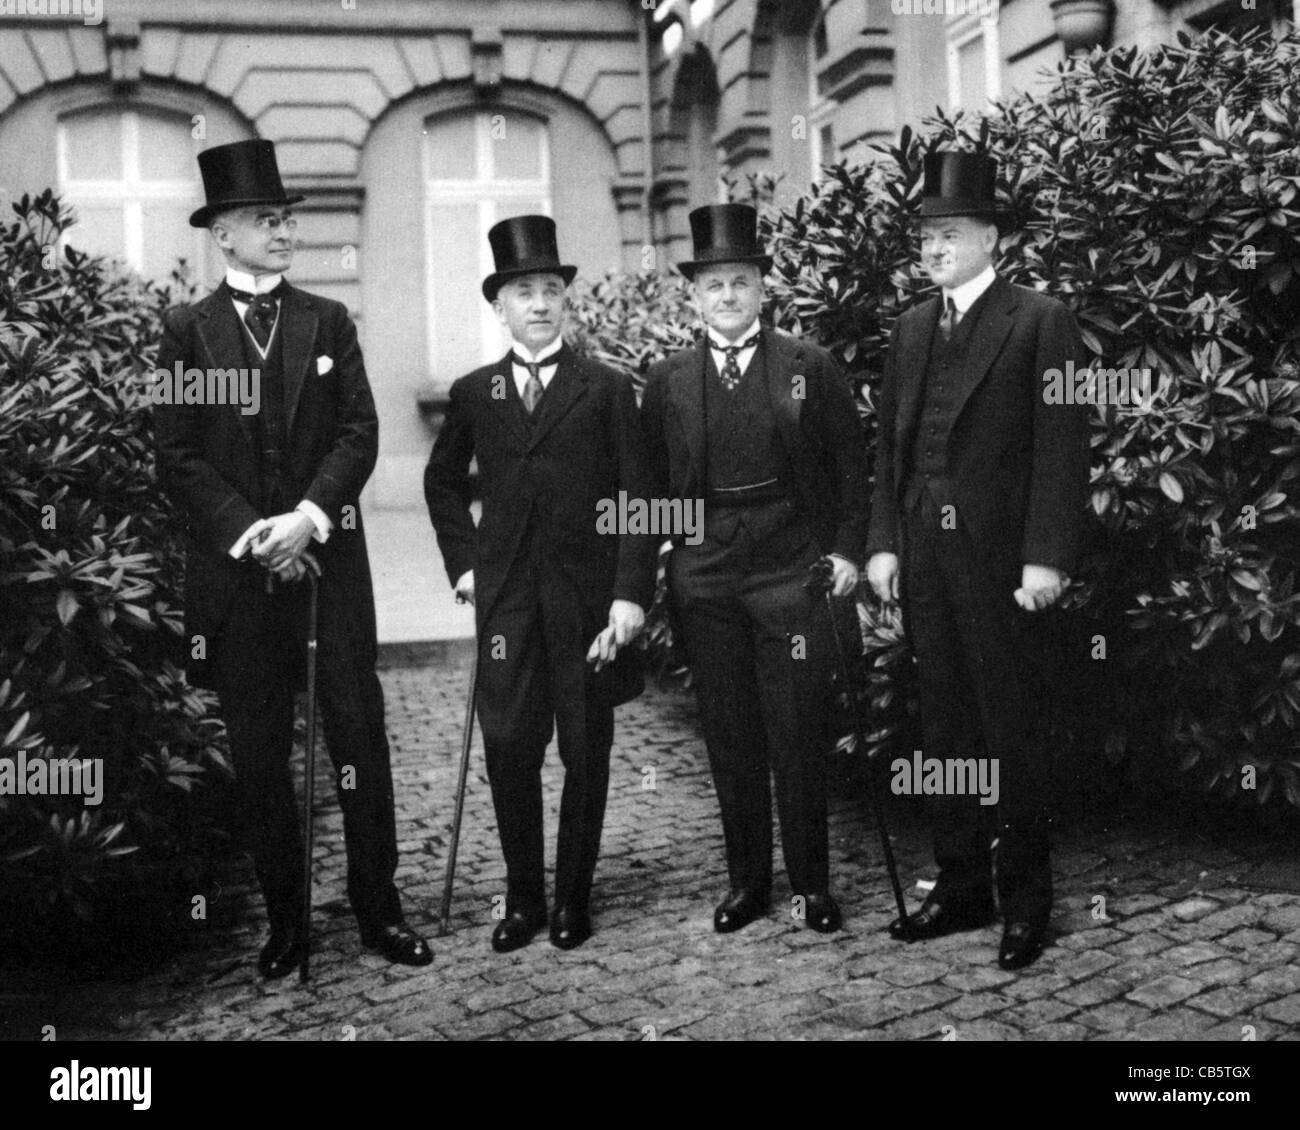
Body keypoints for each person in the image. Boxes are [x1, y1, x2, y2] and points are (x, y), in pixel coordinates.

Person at [154, 139, 430, 978]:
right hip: (241, 585)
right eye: (263, 221)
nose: (281, 232)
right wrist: (254, 533)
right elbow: (179, 456)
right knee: (261, 751)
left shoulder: (327, 321)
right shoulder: (185, 334)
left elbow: (360, 431)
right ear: (224, 236)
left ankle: (379, 911)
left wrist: (310, 518)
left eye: (284, 219)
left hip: (330, 574)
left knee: (359, 735)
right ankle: (286, 924)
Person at [865, 150, 1091, 971]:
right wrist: (883, 541)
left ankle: (1026, 903)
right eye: (926, 234)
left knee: (1013, 729)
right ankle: (962, 888)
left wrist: (1046, 559)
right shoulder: (912, 327)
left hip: (1003, 565)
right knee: (947, 727)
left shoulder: (1040, 319)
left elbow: (1064, 452)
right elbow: (890, 447)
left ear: (992, 236)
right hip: (924, 558)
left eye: (951, 232)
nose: (934, 247)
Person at [423, 215, 656, 952]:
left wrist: (629, 594)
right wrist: (465, 567)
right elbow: (441, 486)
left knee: (585, 749)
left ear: (566, 301)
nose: (540, 304)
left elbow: (639, 497)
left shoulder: (608, 389)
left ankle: (572, 900)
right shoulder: (473, 393)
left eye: (551, 289)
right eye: (524, 292)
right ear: (500, 306)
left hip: (588, 603)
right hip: (506, 607)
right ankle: (523, 898)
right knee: (509, 747)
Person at [641, 204, 871, 936]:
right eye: (714, 286)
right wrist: (664, 556)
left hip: (789, 565)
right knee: (730, 732)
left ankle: (811, 886)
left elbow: (851, 469)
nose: (728, 297)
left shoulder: (809, 366)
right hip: (704, 572)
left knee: (796, 728)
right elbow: (649, 484)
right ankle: (748, 884)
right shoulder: (668, 379)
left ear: (763, 289)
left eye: (741, 282)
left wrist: (844, 551)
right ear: (694, 297)